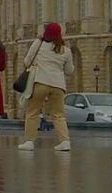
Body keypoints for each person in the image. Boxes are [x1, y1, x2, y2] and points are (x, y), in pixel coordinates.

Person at [18, 22, 75, 151]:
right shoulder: (65, 50)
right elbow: (70, 70)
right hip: (58, 85)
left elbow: (27, 61)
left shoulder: (38, 44)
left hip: (40, 82)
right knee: (58, 114)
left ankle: (29, 141)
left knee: (33, 112)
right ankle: (65, 141)